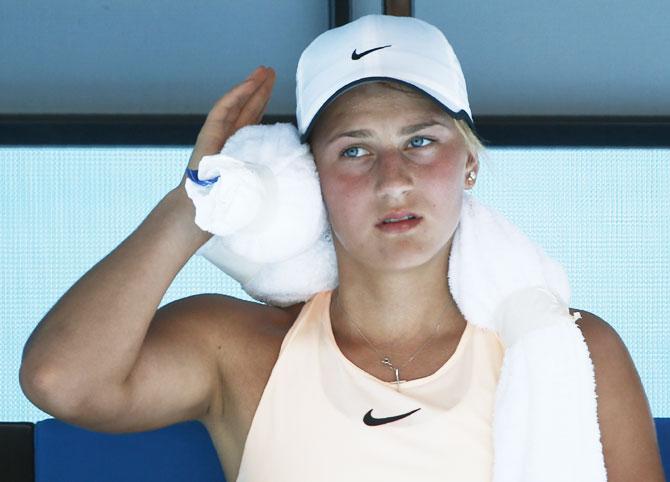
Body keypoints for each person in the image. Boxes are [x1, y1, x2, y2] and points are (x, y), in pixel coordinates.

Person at [19, 14, 664, 482]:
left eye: (421, 141)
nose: (394, 181)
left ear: (469, 163)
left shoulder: (574, 349)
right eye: (354, 150)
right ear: (310, 178)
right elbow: (60, 379)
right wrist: (204, 196)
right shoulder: (242, 348)